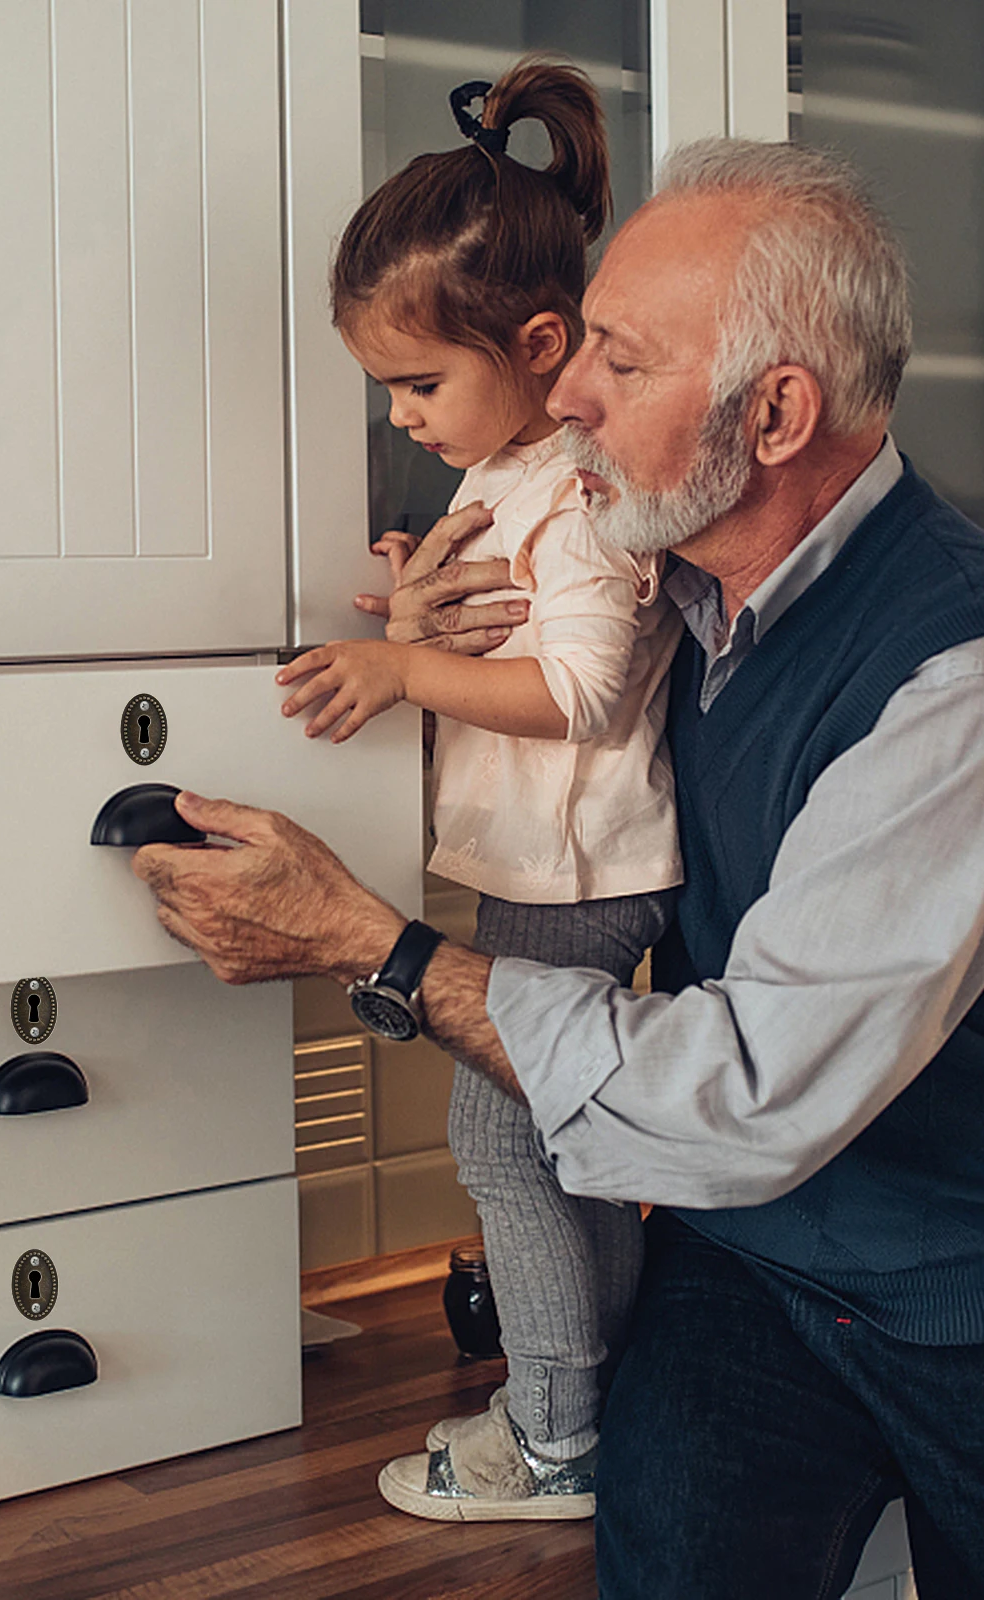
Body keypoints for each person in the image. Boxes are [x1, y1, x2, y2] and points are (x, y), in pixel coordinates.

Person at [134, 138, 984, 1599]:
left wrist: (376, 951)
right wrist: (433, 620)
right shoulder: (683, 584)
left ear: (773, 415)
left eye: (616, 364)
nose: (562, 394)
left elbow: (748, 1091)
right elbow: (546, 672)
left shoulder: (968, 673)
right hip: (752, 1277)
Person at [277, 61, 682, 1522]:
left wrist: (398, 676)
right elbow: (510, 631)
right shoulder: (512, 476)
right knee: (572, 1137)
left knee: (506, 1139)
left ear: (542, 341)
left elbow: (573, 689)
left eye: (419, 383)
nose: (400, 416)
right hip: (558, 868)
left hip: (573, 873)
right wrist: (411, 606)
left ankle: (557, 1433)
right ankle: (613, 1400)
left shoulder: (571, 494)